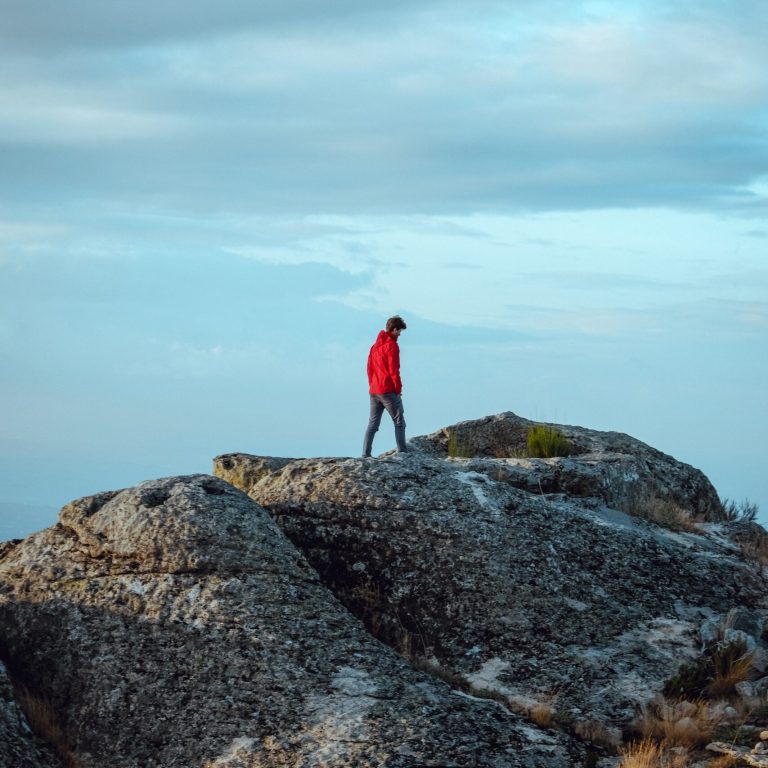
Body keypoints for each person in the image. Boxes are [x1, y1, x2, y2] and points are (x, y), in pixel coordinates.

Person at [362, 316, 407, 457]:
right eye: (399, 331)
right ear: (394, 330)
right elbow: (394, 371)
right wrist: (398, 390)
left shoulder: (374, 347)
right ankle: (403, 453)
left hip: (374, 390)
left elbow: (369, 369)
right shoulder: (392, 346)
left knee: (373, 424)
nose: (400, 334)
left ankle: (365, 455)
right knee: (399, 421)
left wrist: (373, 385)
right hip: (387, 390)